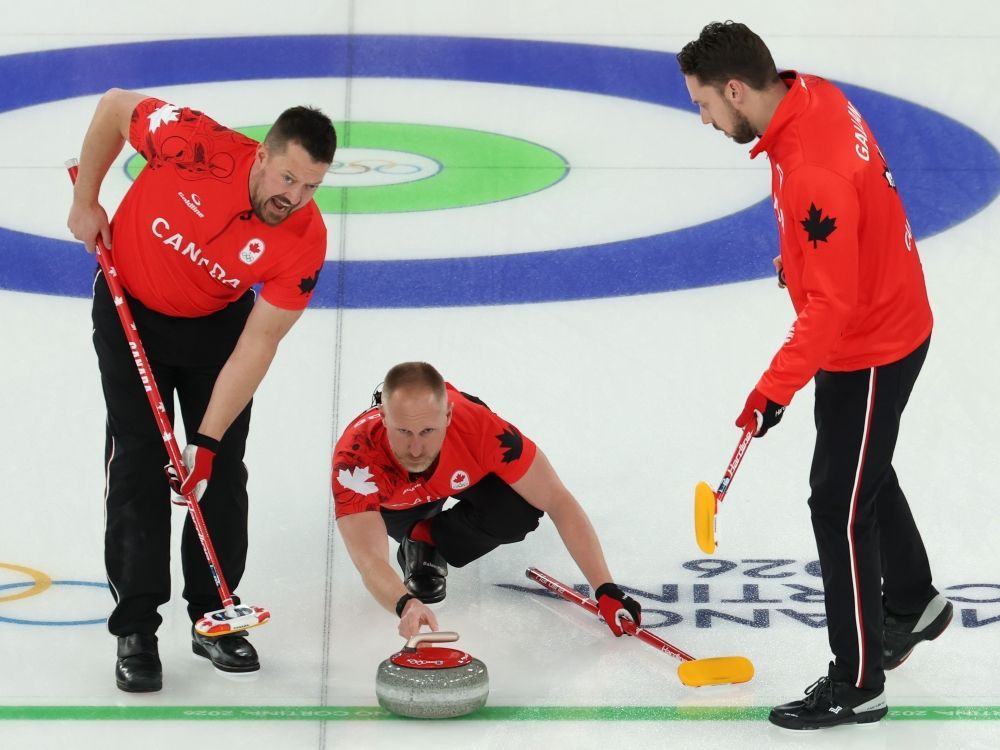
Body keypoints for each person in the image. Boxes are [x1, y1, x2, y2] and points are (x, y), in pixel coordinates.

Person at [676, 22, 953, 730]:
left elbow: (831, 309)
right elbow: (839, 225)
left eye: (706, 104)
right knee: (863, 469)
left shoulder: (810, 173)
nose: (704, 119)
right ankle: (914, 600)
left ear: (737, 89)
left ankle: (859, 682)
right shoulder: (810, 97)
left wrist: (770, 391)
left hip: (869, 346)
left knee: (838, 503)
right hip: (890, 312)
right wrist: (800, 259)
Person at [67, 88, 336, 692]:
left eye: (311, 186)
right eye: (288, 177)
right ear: (261, 155)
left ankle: (214, 615)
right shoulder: (195, 144)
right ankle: (136, 626)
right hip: (130, 308)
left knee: (220, 472)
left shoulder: (304, 240)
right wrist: (87, 200)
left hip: (218, 333)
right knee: (138, 460)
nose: (292, 197)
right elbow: (114, 107)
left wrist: (207, 442)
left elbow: (260, 342)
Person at [333, 361, 641, 640]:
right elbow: (369, 560)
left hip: (464, 467)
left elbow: (557, 500)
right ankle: (416, 531)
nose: (415, 449)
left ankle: (426, 537)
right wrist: (405, 604)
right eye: (403, 431)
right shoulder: (355, 462)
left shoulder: (480, 429)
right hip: (401, 506)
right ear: (383, 416)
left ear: (448, 415)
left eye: (428, 431)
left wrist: (605, 588)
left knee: (518, 513)